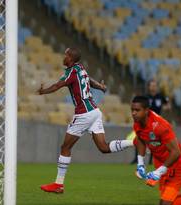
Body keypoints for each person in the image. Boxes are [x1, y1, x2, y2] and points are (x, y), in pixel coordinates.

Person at [37, 47, 133, 193]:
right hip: (95, 111)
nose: (63, 57)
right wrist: (100, 86)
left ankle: (58, 184)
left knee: (65, 148)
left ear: (70, 58)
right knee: (104, 148)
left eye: (65, 55)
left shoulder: (70, 72)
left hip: (84, 114)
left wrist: (43, 91)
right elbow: (90, 80)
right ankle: (134, 142)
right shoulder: (80, 68)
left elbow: (58, 85)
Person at [130, 79, 171, 164]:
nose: (153, 87)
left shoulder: (160, 96)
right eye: (152, 85)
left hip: (156, 122)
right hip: (145, 122)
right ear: (149, 87)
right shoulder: (146, 97)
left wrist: (165, 107)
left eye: (155, 86)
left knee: (154, 141)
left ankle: (151, 161)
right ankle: (136, 158)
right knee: (139, 138)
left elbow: (168, 105)